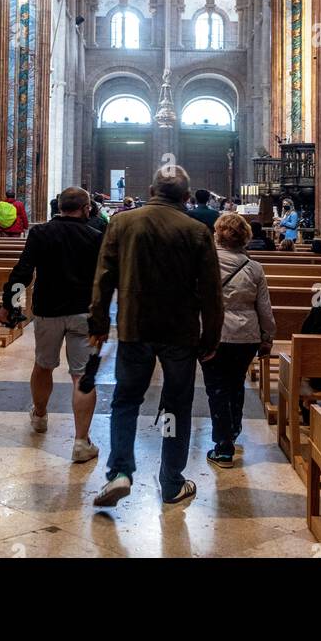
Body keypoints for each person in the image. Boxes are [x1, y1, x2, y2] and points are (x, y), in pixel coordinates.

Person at [89, 164, 223, 508]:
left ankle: (120, 471)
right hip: (180, 331)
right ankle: (171, 481)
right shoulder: (196, 230)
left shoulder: (122, 222)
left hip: (136, 326)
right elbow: (210, 291)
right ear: (187, 197)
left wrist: (100, 322)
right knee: (176, 405)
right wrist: (211, 336)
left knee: (125, 400)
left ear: (151, 192)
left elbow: (104, 276)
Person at [0, 186, 104, 463]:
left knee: (43, 365)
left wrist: (10, 304)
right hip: (83, 312)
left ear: (59, 206)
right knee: (82, 376)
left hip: (47, 311)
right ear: (87, 208)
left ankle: (41, 416)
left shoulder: (40, 233)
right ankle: (81, 442)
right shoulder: (96, 236)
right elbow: (104, 280)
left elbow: (23, 271)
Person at [201, 212, 275, 467]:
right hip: (247, 336)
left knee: (216, 389)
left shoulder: (206, 263)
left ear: (218, 234)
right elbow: (264, 308)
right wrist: (268, 337)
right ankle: (232, 430)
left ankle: (223, 446)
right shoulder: (254, 268)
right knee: (235, 384)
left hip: (214, 334)